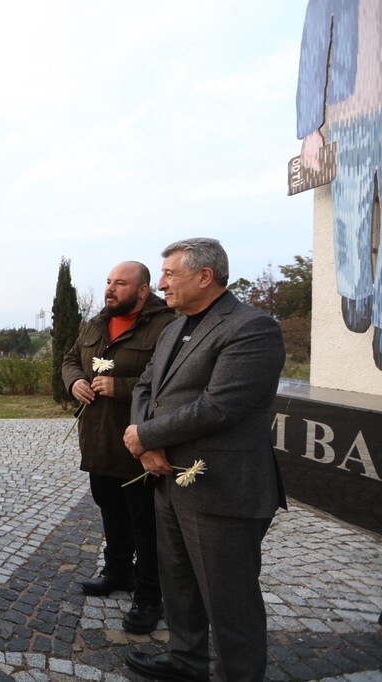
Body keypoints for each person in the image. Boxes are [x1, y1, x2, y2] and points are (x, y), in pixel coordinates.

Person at [123, 238, 286, 681]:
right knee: (177, 581)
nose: (160, 285)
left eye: (169, 275)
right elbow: (145, 387)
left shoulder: (253, 328)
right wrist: (145, 442)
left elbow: (220, 406)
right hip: (167, 479)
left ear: (204, 276)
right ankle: (186, 660)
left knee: (229, 597)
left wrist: (145, 435)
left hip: (223, 488)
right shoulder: (174, 329)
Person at [61, 261, 175, 635]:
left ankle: (148, 595)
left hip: (139, 442)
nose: (110, 289)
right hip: (98, 439)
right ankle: (117, 571)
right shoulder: (96, 322)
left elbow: (171, 380)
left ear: (142, 291)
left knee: (147, 522)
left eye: (120, 284)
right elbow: (70, 359)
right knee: (110, 510)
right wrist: (76, 380)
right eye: (108, 282)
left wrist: (121, 387)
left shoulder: (166, 324)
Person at [297, 0, 382, 367]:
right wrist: (310, 128)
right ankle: (356, 291)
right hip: (351, 113)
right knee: (350, 208)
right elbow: (314, 49)